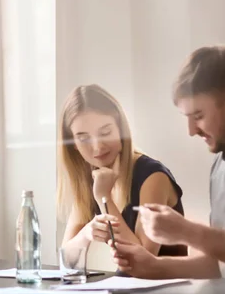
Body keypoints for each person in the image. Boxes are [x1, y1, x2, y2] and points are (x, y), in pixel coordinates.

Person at [112, 45, 225, 279]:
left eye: (199, 116)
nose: (191, 131)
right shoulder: (219, 166)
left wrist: (188, 232)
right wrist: (153, 266)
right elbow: (218, 267)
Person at [57, 84, 187, 267]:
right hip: (126, 290)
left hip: (166, 291)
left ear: (121, 129)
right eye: (83, 138)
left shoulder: (153, 176)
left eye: (105, 132)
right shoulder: (93, 176)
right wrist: (86, 234)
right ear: (74, 145)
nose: (97, 147)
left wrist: (104, 197)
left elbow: (142, 262)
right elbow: (67, 261)